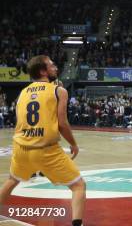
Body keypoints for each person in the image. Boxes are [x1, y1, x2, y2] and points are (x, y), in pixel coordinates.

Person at [0, 56, 86, 226]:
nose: (55, 67)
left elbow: (21, 121)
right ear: (42, 71)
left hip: (21, 148)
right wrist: (74, 144)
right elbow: (62, 123)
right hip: (46, 150)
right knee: (78, 186)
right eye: (52, 65)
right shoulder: (58, 91)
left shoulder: (23, 93)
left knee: (12, 181)